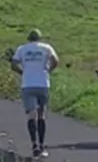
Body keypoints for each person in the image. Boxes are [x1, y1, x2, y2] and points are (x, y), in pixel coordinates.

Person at [11, 29, 59, 158]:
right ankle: (42, 144)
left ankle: (34, 144)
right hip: (43, 84)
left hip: (28, 84)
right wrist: (48, 70)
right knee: (41, 114)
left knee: (31, 115)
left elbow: (14, 64)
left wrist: (23, 72)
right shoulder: (46, 48)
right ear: (40, 38)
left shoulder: (22, 49)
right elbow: (55, 60)